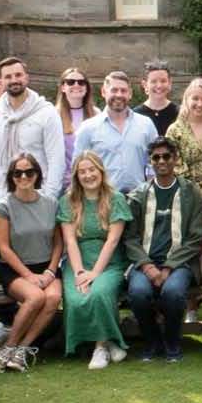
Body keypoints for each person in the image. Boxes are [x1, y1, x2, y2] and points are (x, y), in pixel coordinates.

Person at [124, 137, 202, 363]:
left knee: (173, 292)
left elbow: (195, 237)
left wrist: (169, 267)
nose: (161, 161)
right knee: (138, 293)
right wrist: (148, 266)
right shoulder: (138, 195)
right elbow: (129, 238)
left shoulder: (191, 192)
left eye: (166, 156)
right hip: (144, 263)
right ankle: (151, 342)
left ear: (175, 159)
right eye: (156, 157)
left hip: (180, 263)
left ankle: (172, 343)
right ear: (150, 162)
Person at [0, 153, 62, 373]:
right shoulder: (3, 207)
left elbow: (58, 243)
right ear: (11, 177)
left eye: (29, 172)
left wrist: (50, 270)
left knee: (53, 297)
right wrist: (29, 276)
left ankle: (22, 348)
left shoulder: (51, 203)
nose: (23, 177)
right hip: (15, 268)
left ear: (37, 174)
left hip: (46, 265)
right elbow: (3, 247)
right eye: (17, 172)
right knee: (35, 296)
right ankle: (7, 347)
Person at [59, 150, 131, 370]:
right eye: (82, 171)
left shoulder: (115, 199)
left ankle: (100, 348)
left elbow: (112, 240)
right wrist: (80, 272)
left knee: (99, 292)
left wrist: (95, 273)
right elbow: (70, 241)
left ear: (100, 171)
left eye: (92, 170)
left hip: (108, 262)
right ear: (76, 176)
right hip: (78, 260)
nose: (88, 175)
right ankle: (110, 341)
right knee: (77, 297)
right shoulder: (68, 200)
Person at [0, 57, 66, 202]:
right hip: (1, 195)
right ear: (1, 81)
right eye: (8, 77)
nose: (14, 80)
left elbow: (56, 158)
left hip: (38, 193)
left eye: (18, 75)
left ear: (27, 77)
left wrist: (49, 195)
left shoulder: (46, 112)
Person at [75, 71, 159, 194]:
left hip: (139, 199)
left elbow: (154, 162)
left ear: (130, 94)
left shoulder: (146, 125)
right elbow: (77, 166)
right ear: (104, 92)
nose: (119, 95)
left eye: (123, 91)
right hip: (103, 199)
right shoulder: (88, 128)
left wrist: (151, 190)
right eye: (114, 90)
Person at [55, 67, 95, 189]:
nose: (76, 85)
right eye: (71, 82)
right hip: (63, 185)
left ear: (86, 87)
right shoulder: (53, 115)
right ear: (63, 87)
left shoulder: (97, 114)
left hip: (91, 182)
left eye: (81, 82)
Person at [134, 60, 178, 138]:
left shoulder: (179, 113)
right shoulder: (135, 115)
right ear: (145, 85)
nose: (159, 86)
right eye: (153, 81)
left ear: (170, 83)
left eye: (163, 81)